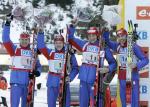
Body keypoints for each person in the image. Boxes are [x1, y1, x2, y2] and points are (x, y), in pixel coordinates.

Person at [68, 25, 117, 107]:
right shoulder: (84, 44)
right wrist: (72, 26)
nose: (91, 37)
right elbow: (70, 39)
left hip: (96, 79)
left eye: (93, 35)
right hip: (83, 79)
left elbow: (113, 63)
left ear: (97, 35)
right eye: (89, 35)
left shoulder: (102, 47)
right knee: (83, 103)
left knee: (96, 103)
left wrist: (108, 69)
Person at [2, 14, 42, 107]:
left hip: (28, 84)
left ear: (29, 40)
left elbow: (38, 66)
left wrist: (37, 72)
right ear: (19, 40)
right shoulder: (14, 50)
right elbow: (5, 39)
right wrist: (7, 23)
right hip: (16, 83)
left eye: (26, 40)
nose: (24, 42)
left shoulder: (33, 52)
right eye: (22, 40)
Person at [103, 28, 149, 107]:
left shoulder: (133, 46)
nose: (121, 38)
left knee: (133, 99)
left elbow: (145, 60)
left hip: (132, 75)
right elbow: (107, 41)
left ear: (127, 36)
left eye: (123, 36)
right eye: (119, 36)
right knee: (123, 99)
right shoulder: (117, 46)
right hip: (122, 77)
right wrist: (106, 32)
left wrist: (136, 65)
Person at [37, 29, 78, 107]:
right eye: (56, 43)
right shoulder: (50, 53)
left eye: (60, 43)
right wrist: (41, 33)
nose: (58, 45)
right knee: (51, 104)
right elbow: (40, 46)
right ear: (54, 44)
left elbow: (75, 68)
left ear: (63, 43)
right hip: (52, 81)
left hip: (64, 81)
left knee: (66, 104)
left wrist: (70, 77)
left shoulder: (68, 54)